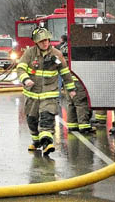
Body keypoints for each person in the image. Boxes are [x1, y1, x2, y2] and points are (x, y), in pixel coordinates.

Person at [16, 27, 74, 156]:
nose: (45, 43)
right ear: (36, 42)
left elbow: (64, 72)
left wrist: (71, 89)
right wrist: (25, 80)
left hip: (49, 94)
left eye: (47, 40)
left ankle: (47, 143)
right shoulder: (29, 53)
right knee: (32, 120)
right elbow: (20, 69)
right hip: (32, 95)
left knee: (47, 118)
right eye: (42, 41)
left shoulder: (56, 54)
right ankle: (37, 142)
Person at [57, 34, 94, 134]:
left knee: (71, 103)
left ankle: (72, 125)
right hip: (78, 80)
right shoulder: (77, 48)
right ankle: (84, 126)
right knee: (81, 103)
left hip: (67, 80)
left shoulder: (62, 48)